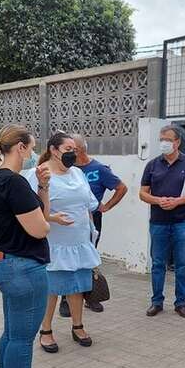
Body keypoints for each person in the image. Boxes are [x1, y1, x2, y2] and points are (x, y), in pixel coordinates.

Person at [0, 123, 57, 368]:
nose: (34, 154)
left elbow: (41, 214)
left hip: (6, 261)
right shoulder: (13, 182)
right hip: (23, 266)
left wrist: (43, 187)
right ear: (21, 147)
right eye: (32, 147)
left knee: (12, 333)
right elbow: (41, 228)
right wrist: (46, 222)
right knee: (22, 337)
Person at [24, 131, 100, 352]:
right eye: (68, 150)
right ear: (53, 150)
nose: (72, 154)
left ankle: (78, 326)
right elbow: (29, 211)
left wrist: (91, 232)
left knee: (77, 287)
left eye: (75, 150)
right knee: (52, 289)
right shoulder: (37, 174)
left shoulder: (78, 173)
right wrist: (52, 217)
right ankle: (45, 330)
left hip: (80, 242)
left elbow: (89, 204)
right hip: (54, 245)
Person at [58, 134, 127, 317]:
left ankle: (91, 295)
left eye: (71, 149)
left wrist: (107, 206)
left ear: (79, 150)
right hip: (68, 220)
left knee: (88, 258)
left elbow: (121, 187)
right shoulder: (66, 169)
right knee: (68, 259)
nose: (68, 153)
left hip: (91, 220)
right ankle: (65, 298)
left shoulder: (99, 169)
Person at [139, 124, 185, 318]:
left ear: (177, 142)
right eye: (161, 140)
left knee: (182, 264)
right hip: (158, 222)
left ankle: (181, 303)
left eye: (168, 140)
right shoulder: (152, 165)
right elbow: (142, 193)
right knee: (158, 263)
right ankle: (156, 302)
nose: (164, 143)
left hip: (182, 221)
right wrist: (158, 200)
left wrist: (177, 202)